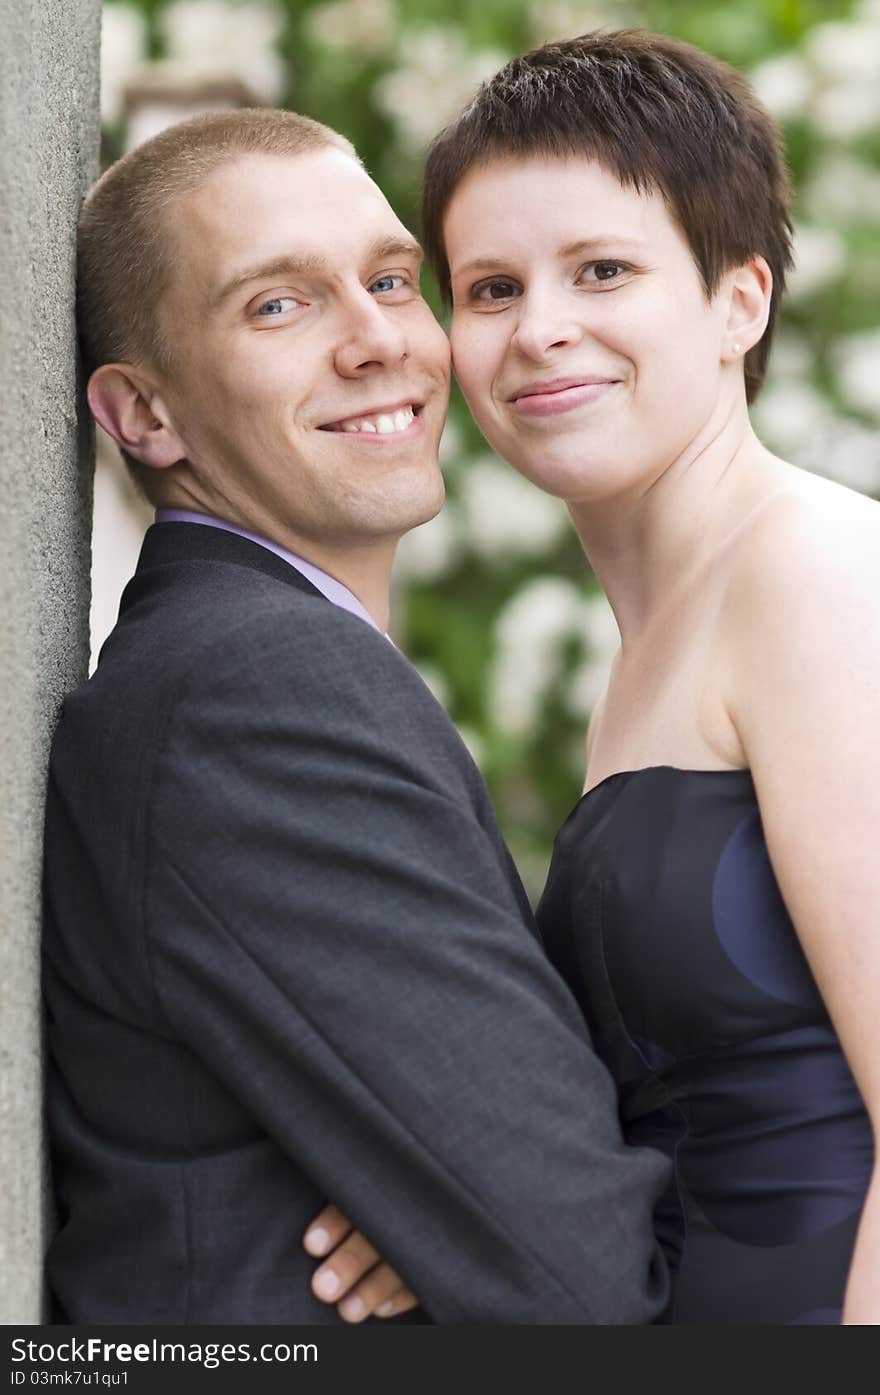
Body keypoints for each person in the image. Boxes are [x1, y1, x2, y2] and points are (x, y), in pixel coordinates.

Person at [41, 107, 670, 1325]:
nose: (381, 340)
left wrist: (447, 1206)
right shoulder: (257, 690)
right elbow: (575, 1279)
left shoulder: (278, 659)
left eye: (389, 280)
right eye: (278, 305)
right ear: (143, 414)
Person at [311, 29, 879, 1326]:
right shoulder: (643, 655)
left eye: (603, 270)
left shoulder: (817, 574)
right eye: (493, 287)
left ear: (741, 300)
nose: (540, 331)